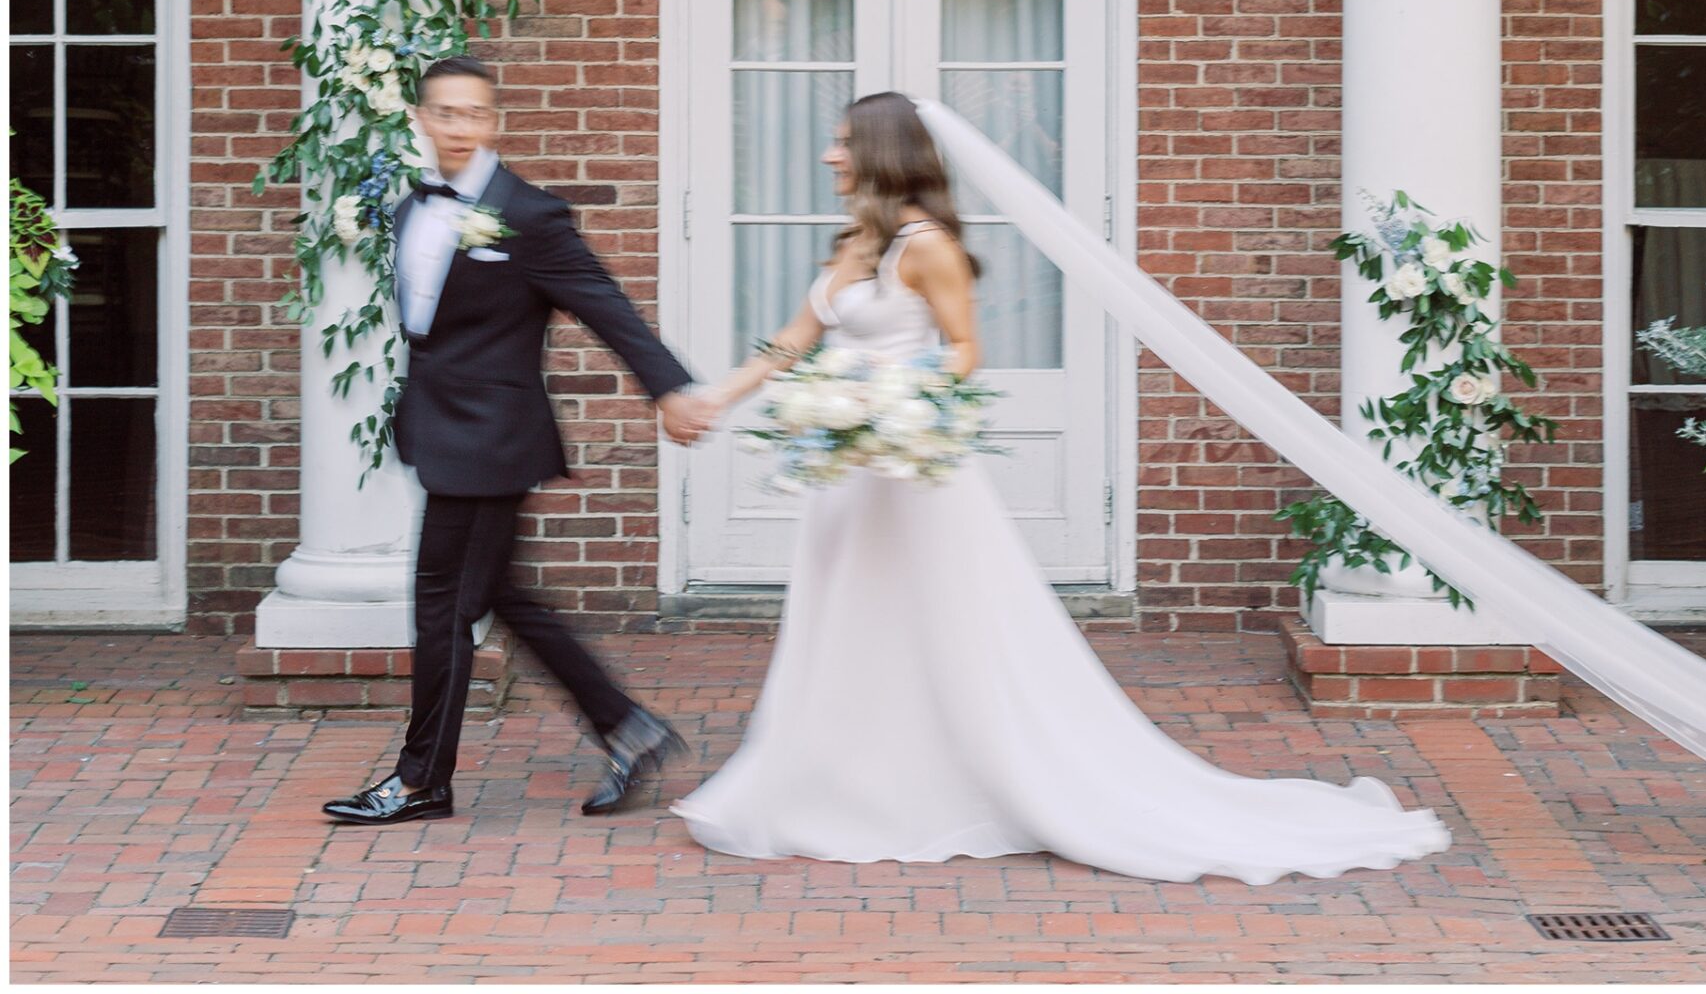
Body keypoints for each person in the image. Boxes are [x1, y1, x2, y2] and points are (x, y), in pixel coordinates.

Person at [675, 91, 1451, 884]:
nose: (829, 157)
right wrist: (716, 396)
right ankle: (835, 783)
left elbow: (966, 350)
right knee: (846, 627)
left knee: (934, 625)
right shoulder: (850, 244)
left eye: (842, 143)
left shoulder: (925, 245)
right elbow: (791, 342)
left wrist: (885, 405)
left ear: (881, 153)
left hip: (908, 470)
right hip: (847, 477)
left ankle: (947, 784)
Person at [322, 55, 715, 828]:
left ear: (494, 122)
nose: (460, 127)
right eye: (445, 113)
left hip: (492, 441)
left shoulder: (530, 215)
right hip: (442, 432)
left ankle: (420, 779)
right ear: (421, 120)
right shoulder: (409, 209)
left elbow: (606, 305)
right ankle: (627, 727)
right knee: (496, 594)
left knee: (440, 607)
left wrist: (669, 387)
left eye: (475, 114)